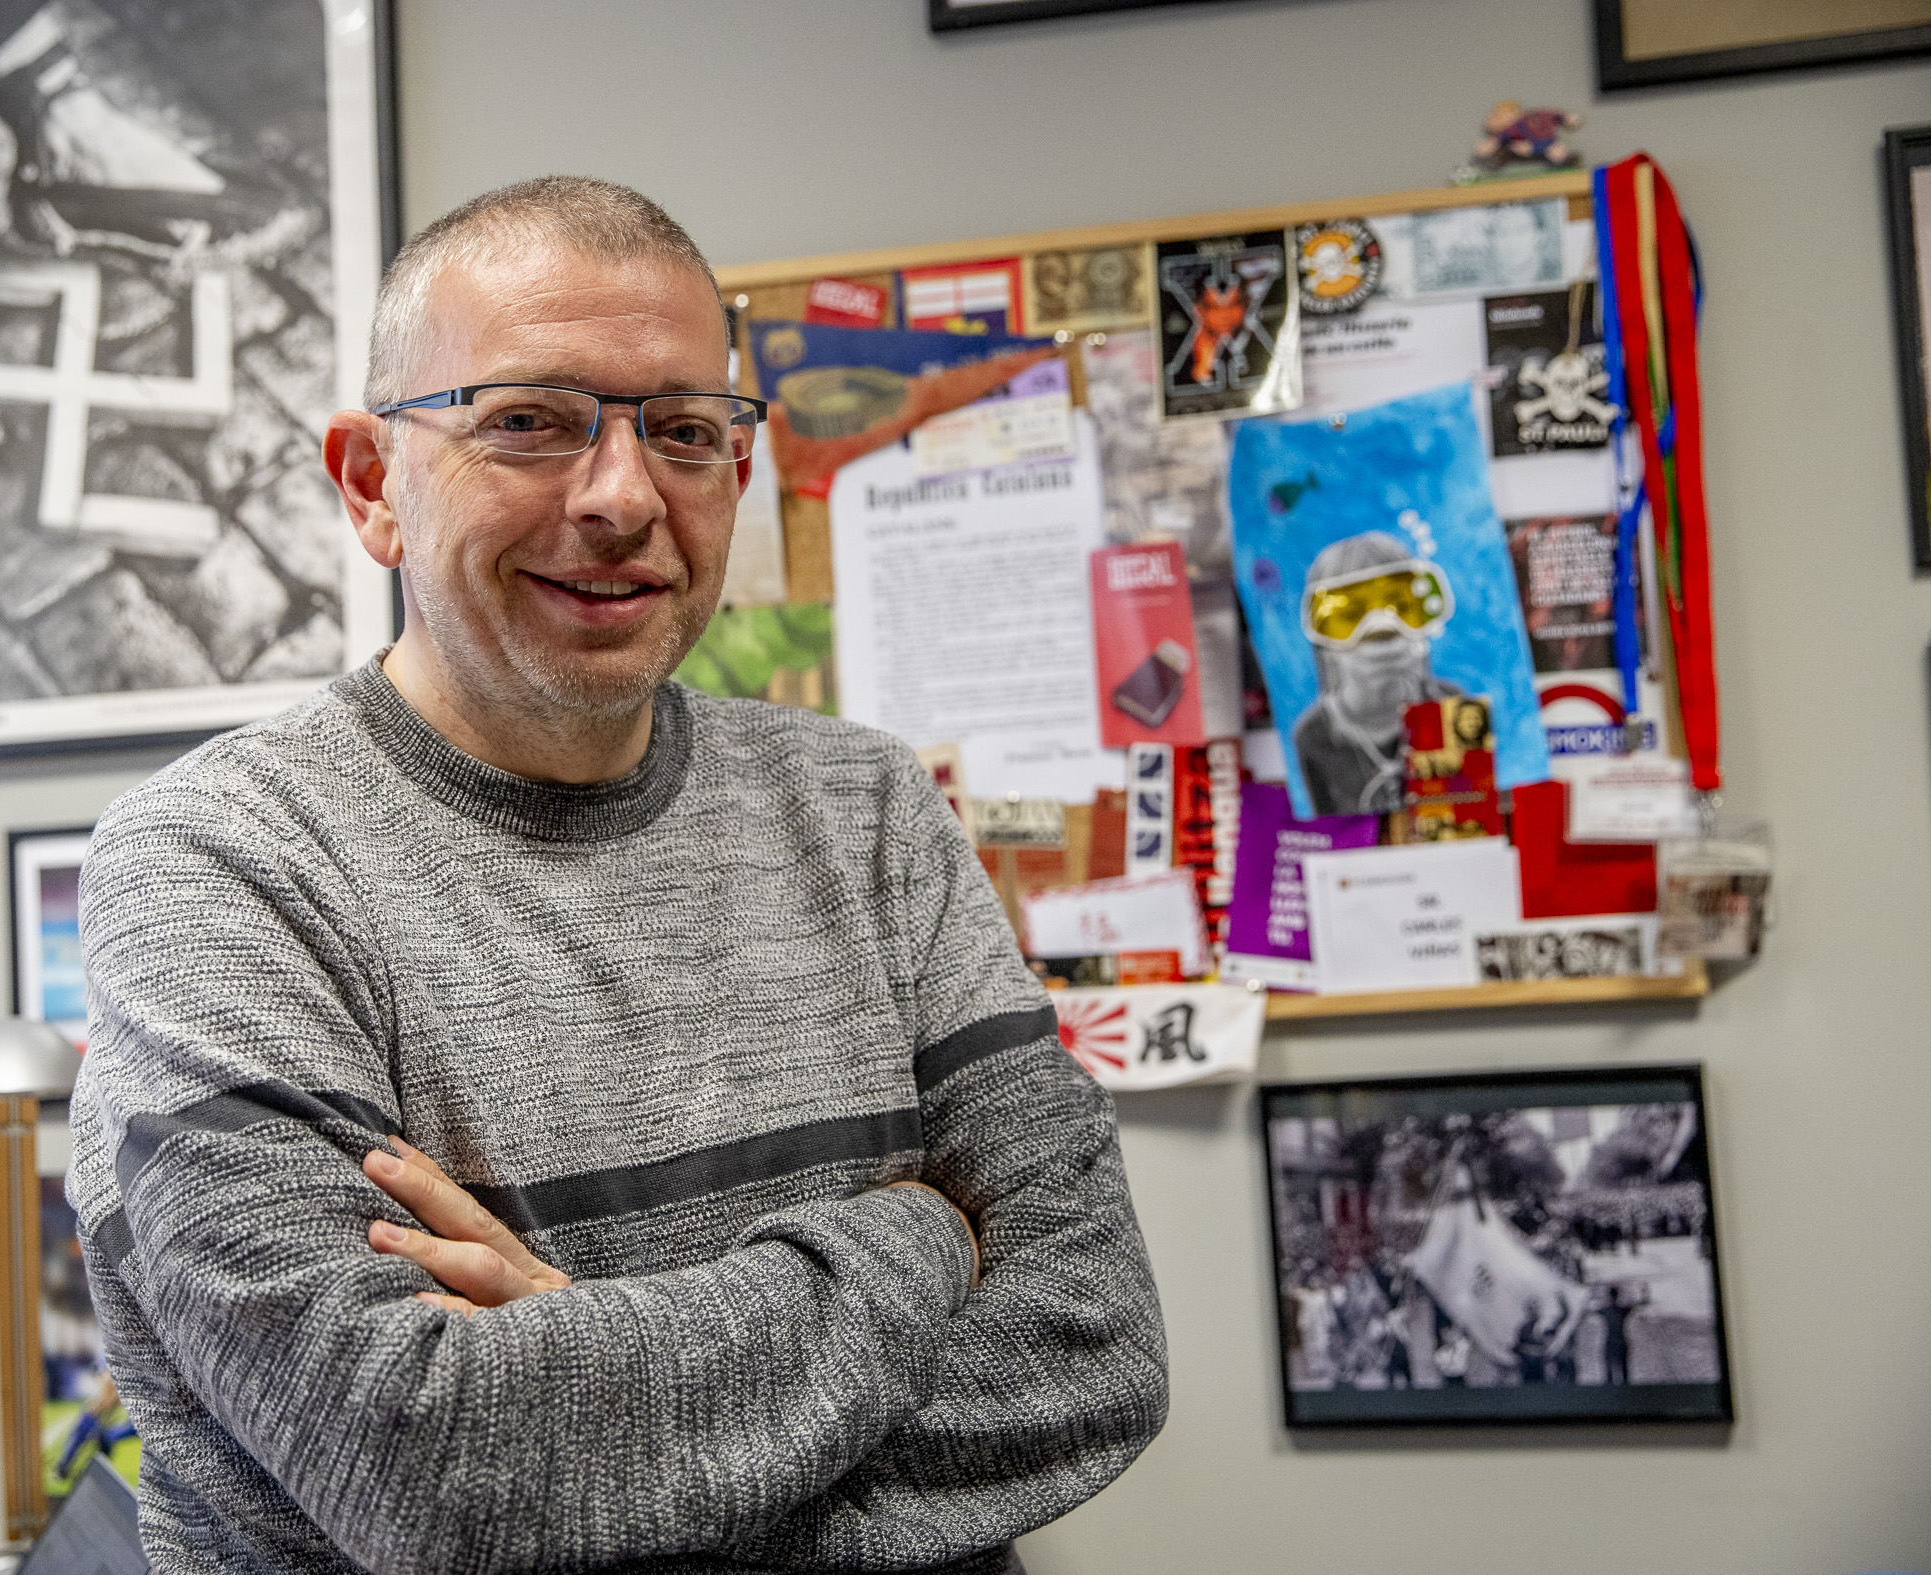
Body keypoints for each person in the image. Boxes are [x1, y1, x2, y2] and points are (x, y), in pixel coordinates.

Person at [68, 177, 1168, 1575]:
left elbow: (1092, 1345)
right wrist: (913, 1238)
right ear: (370, 483)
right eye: (528, 421)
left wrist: (574, 1359)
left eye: (683, 432)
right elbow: (430, 1465)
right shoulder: (221, 863)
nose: (621, 495)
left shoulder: (869, 810)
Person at [1290, 530, 1463, 814]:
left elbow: (1466, 816)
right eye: (1351, 615)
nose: (1381, 631)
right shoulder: (1312, 737)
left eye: (1401, 607)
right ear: (1324, 643)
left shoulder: (1451, 706)